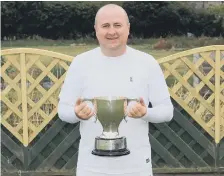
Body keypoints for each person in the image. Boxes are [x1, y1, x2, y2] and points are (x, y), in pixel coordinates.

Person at [58, 4, 173, 176]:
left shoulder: (147, 63)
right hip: (91, 167)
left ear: (128, 28)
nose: (112, 31)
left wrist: (145, 113)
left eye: (117, 25)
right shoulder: (80, 63)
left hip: (136, 167)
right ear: (96, 29)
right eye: (105, 26)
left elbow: (167, 112)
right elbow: (63, 110)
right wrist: (76, 114)